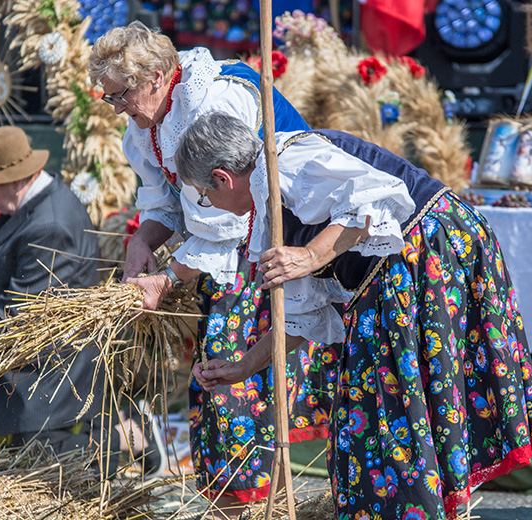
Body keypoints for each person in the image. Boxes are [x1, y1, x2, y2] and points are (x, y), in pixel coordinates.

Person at [178, 112, 532, 520]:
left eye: (202, 195)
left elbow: (375, 197)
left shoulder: (287, 161)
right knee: (385, 418)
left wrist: (311, 255)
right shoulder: (271, 205)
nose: (208, 205)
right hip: (406, 266)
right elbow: (303, 317)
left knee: (386, 414)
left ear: (222, 178)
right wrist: (243, 367)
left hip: (427, 252)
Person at [88, 21, 337, 514]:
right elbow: (165, 203)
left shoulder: (212, 102)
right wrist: (142, 242)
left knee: (240, 387)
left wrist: (164, 278)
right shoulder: (149, 124)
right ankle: (240, 504)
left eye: (121, 95)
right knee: (221, 385)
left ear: (157, 76)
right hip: (230, 260)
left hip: (272, 249)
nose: (117, 108)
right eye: (109, 98)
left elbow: (224, 221)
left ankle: (253, 506)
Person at [0, 126, 163, 477]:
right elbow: (21, 289)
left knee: (41, 457)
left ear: (16, 179)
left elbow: (21, 315)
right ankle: (117, 430)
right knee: (27, 450)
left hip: (57, 363)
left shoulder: (48, 224)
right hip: (44, 357)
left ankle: (127, 435)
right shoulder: (34, 205)